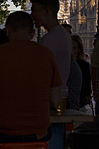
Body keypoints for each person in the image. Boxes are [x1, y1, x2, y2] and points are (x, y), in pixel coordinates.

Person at [0, 11, 62, 143]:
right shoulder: (47, 55)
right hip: (38, 133)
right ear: (33, 33)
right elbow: (56, 101)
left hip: (4, 132)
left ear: (7, 31)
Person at [31, 0, 72, 90]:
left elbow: (41, 72)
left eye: (34, 10)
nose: (32, 15)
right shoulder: (64, 34)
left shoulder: (50, 39)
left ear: (46, 12)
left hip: (49, 94)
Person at [71, 35, 92, 110]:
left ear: (79, 50)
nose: (70, 50)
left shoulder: (84, 66)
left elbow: (87, 87)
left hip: (79, 103)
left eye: (73, 48)